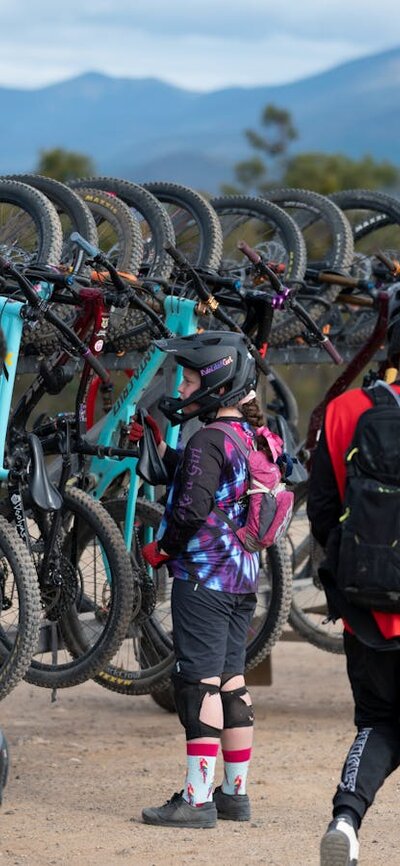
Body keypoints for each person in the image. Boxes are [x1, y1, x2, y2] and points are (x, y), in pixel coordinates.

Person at [132, 331, 274, 829]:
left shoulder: (207, 439)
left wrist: (161, 549)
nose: (184, 388)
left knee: (199, 686)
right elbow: (211, 486)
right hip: (241, 582)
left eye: (190, 379)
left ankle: (195, 800)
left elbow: (191, 507)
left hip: (203, 580)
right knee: (231, 682)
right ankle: (234, 795)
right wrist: (158, 449)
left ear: (215, 384)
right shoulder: (253, 436)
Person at [307, 296, 400, 866]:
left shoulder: (344, 409)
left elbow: (320, 513)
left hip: (366, 607)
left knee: (381, 719)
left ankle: (346, 817)